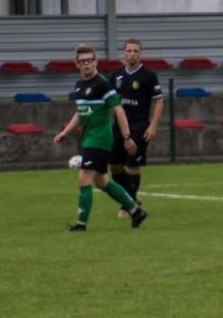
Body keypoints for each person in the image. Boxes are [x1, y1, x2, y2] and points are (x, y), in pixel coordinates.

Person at [52, 44, 148, 231]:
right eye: (83, 62)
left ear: (95, 62)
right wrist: (66, 131)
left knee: (83, 179)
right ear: (77, 64)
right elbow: (80, 112)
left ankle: (81, 225)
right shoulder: (80, 85)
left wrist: (127, 137)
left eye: (90, 61)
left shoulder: (102, 84)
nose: (86, 64)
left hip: (100, 139)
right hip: (88, 138)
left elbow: (119, 110)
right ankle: (136, 211)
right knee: (101, 181)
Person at [108, 38, 165, 218]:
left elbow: (158, 100)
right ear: (123, 53)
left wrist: (154, 125)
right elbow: (109, 100)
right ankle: (131, 196)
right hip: (118, 125)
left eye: (136, 51)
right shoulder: (116, 75)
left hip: (139, 125)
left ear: (141, 54)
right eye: (129, 50)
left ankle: (128, 206)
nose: (132, 54)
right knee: (115, 166)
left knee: (132, 165)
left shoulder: (148, 75)